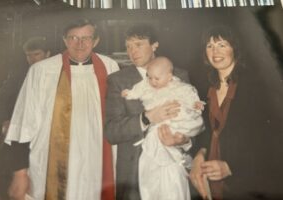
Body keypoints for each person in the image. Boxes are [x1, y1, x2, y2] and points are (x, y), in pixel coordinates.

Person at [4, 19, 119, 200]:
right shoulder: (42, 70)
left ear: (95, 41)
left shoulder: (110, 67)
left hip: (96, 164)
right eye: (73, 37)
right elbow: (23, 124)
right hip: (49, 163)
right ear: (64, 40)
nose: (80, 44)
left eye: (86, 38)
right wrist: (20, 173)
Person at [189, 25, 283, 200]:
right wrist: (199, 154)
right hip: (214, 184)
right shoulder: (205, 87)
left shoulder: (259, 85)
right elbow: (207, 131)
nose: (215, 51)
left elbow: (274, 141)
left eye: (222, 44)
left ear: (235, 49)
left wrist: (232, 167)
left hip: (253, 184)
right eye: (209, 46)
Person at [105, 24, 196, 200]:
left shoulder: (179, 75)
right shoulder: (118, 81)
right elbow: (111, 132)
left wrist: (183, 140)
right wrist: (146, 118)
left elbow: (195, 121)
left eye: (138, 44)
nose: (132, 51)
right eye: (128, 46)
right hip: (135, 175)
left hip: (173, 170)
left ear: (155, 45)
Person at [121, 56, 204, 200]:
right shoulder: (146, 85)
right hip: (157, 124)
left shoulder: (181, 86)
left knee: (173, 179)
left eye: (157, 79)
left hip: (179, 121)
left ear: (169, 76)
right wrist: (130, 93)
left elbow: (191, 98)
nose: (152, 82)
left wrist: (196, 105)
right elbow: (138, 90)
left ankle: (177, 157)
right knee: (152, 155)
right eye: (150, 77)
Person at [0, 36, 51, 137]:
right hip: (23, 131)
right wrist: (5, 122)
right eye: (28, 55)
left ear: (47, 54)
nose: (32, 59)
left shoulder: (59, 74)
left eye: (36, 54)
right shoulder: (18, 75)